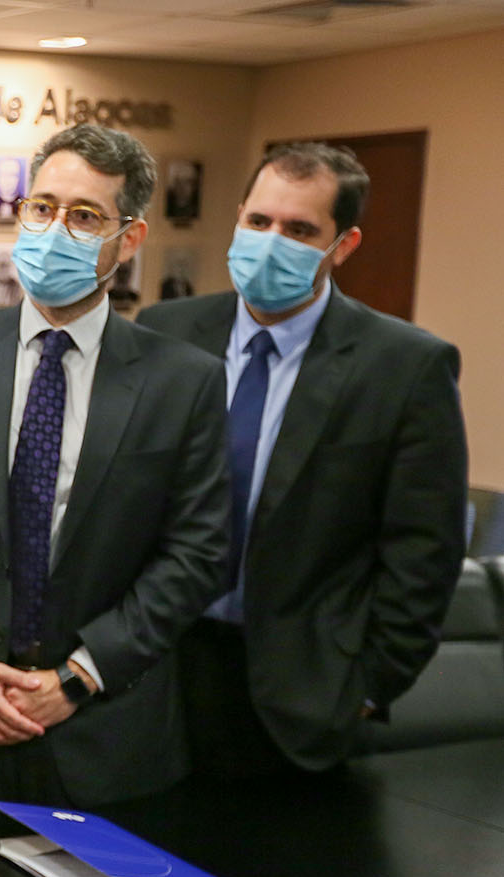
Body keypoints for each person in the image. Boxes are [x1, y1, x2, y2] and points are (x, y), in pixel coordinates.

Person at [0, 124, 231, 826]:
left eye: (84, 216)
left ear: (129, 239)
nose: (55, 230)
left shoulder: (184, 381)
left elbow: (196, 553)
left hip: (108, 738)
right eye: (42, 207)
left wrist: (79, 675)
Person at [138, 143, 467, 776]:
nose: (271, 242)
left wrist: (368, 687)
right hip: (157, 670)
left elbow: (424, 551)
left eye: (299, 230)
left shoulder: (405, 366)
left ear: (343, 245)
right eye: (259, 221)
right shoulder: (166, 331)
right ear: (238, 218)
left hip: (304, 694)